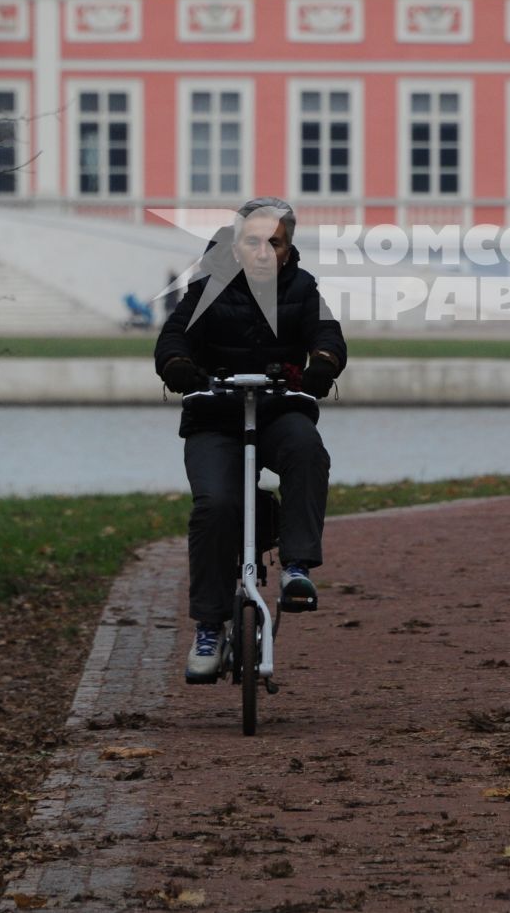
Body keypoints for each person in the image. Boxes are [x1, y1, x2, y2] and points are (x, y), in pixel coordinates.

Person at [154, 197, 346, 683]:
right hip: (216, 415)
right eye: (253, 241)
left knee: (307, 451)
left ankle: (297, 567)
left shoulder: (302, 288)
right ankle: (209, 628)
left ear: (287, 249)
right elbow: (173, 336)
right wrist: (178, 365)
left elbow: (327, 334)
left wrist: (321, 363)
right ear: (237, 245)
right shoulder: (206, 288)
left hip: (279, 409)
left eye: (274, 243)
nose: (263, 252)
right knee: (214, 505)